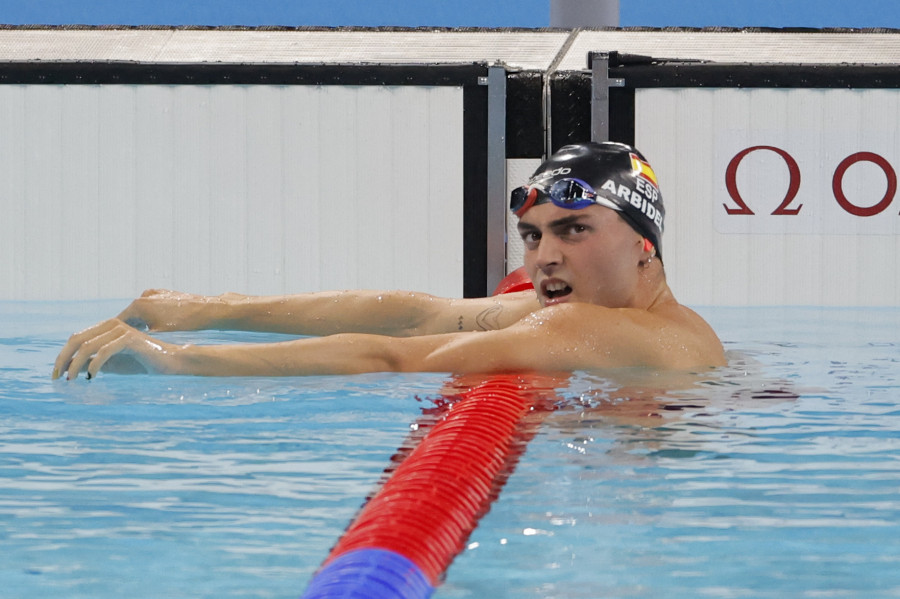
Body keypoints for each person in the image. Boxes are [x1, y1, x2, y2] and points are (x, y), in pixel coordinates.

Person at [53, 141, 725, 381]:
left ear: (645, 244)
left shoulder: (591, 327)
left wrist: (181, 360)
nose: (544, 256)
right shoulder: (600, 311)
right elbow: (420, 316)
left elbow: (394, 358)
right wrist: (204, 310)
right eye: (531, 235)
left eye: (572, 230)